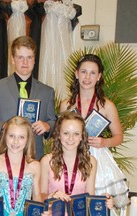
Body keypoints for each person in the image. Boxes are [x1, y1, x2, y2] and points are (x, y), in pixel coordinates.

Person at [59, 54, 129, 208]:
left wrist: (105, 142)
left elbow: (119, 137)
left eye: (92, 73)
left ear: (99, 77)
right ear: (77, 74)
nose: (87, 77)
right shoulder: (66, 105)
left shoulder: (107, 106)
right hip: (70, 157)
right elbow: (59, 135)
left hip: (97, 158)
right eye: (83, 72)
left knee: (95, 206)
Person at [0, 35, 56, 160]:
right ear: (13, 59)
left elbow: (53, 122)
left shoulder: (47, 92)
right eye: (20, 57)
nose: (25, 62)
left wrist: (48, 126)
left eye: (29, 57)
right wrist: (5, 127)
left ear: (34, 60)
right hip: (3, 156)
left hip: (34, 158)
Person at [40, 112, 113, 214]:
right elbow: (40, 196)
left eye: (76, 134)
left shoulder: (90, 161)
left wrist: (105, 202)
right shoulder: (47, 161)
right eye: (66, 133)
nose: (71, 138)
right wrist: (51, 196)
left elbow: (89, 197)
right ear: (59, 135)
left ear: (82, 137)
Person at [0, 116, 42, 216]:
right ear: (4, 136)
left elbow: (37, 196)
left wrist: (42, 212)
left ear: (28, 139)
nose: (15, 141)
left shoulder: (35, 166)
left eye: (21, 137)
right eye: (11, 136)